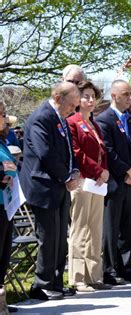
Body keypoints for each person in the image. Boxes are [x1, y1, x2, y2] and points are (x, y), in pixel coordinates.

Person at [20, 82, 80, 300]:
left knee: (59, 237)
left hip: (59, 185)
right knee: (48, 236)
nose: (73, 110)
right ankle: (42, 284)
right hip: (42, 185)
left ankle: (55, 281)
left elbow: (68, 151)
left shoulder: (60, 119)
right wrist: (66, 176)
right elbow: (45, 153)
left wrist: (73, 171)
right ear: (58, 97)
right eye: (71, 105)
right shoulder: (41, 117)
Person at [95, 80, 131, 285]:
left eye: (130, 94)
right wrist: (126, 170)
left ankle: (126, 268)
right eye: (125, 94)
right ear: (114, 96)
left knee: (128, 227)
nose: (129, 98)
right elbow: (108, 150)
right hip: (115, 182)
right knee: (111, 228)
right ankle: (110, 270)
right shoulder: (104, 120)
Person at [66, 81, 111, 292]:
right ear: (77, 99)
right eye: (86, 96)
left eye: (93, 96)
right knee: (80, 229)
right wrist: (97, 171)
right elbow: (77, 153)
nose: (91, 100)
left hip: (97, 182)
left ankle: (94, 275)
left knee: (95, 229)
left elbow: (103, 151)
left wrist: (105, 171)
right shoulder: (72, 122)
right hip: (83, 180)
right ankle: (77, 277)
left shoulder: (94, 124)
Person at [0, 102, 19, 314]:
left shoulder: (3, 142)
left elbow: (11, 164)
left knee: (4, 253)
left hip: (6, 203)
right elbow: (7, 166)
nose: (6, 119)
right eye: (3, 115)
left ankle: (1, 300)